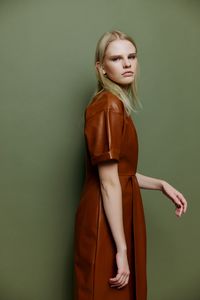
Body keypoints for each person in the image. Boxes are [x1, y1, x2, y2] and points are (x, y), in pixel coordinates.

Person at [73, 30, 188, 300]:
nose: (127, 64)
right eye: (116, 58)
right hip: (106, 216)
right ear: (101, 68)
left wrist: (160, 185)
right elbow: (108, 181)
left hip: (113, 210)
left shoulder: (112, 104)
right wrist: (121, 249)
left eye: (132, 56)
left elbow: (121, 173)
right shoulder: (108, 107)